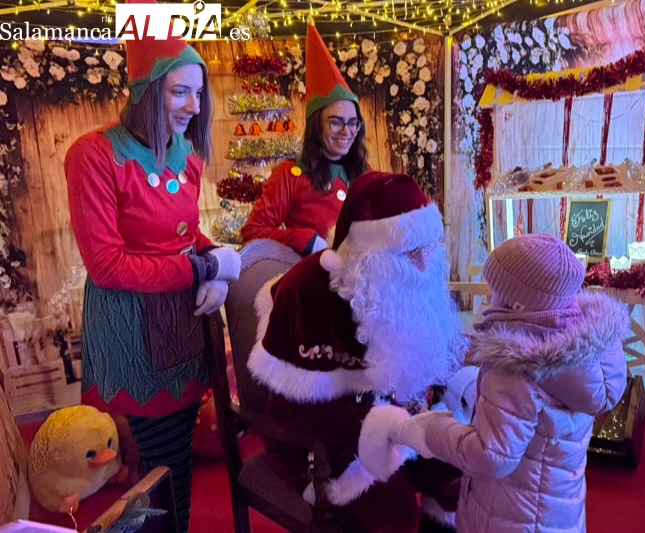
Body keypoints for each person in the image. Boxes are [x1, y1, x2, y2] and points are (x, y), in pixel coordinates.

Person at [64, 3, 240, 530]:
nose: (193, 106)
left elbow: (184, 234)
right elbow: (107, 265)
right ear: (146, 90)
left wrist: (215, 258)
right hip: (133, 337)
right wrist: (203, 271)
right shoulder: (94, 155)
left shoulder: (186, 153)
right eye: (179, 91)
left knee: (177, 460)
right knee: (156, 467)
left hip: (181, 327)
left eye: (198, 92)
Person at [248, 171, 467, 532]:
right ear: (369, 253)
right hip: (319, 436)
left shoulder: (413, 278)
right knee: (395, 512)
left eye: (426, 248)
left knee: (456, 472)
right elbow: (298, 407)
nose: (423, 266)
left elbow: (422, 366)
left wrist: (426, 411)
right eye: (408, 253)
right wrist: (391, 426)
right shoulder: (307, 292)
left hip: (393, 413)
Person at [366, 234, 629, 533]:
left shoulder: (515, 367)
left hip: (508, 518)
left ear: (515, 303)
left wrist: (429, 429)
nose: (490, 297)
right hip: (558, 515)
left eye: (495, 289)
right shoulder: (584, 353)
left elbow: (491, 456)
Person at [240, 23, 369, 256]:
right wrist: (303, 239)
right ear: (316, 124)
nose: (347, 131)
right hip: (316, 275)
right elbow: (253, 231)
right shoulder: (290, 174)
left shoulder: (363, 171)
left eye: (353, 123)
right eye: (336, 122)